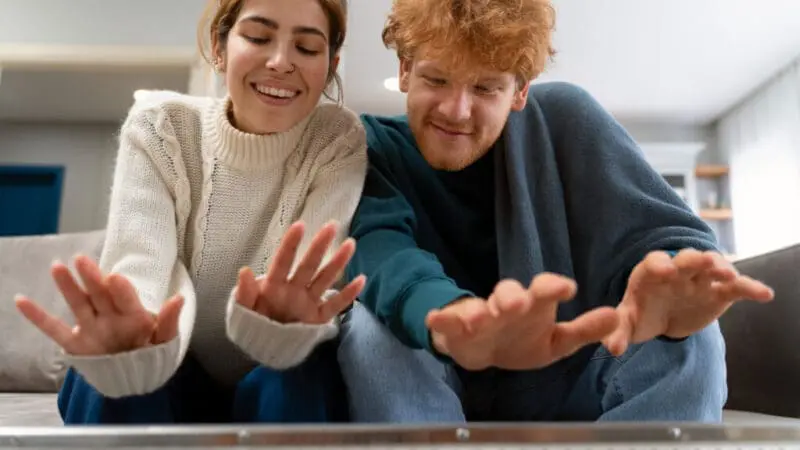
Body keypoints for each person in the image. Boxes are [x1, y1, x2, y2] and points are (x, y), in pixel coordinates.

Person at [337, 0, 774, 423]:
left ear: (520, 91)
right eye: (436, 79)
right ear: (405, 70)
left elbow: (667, 237)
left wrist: (678, 283)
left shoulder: (569, 118)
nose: (457, 110)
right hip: (435, 371)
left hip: (566, 376)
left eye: (486, 88)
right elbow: (379, 248)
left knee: (689, 339)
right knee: (371, 329)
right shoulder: (367, 150)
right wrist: (450, 319)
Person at [15, 0, 367, 425]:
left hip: (277, 374)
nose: (280, 62)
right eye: (258, 37)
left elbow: (310, 277)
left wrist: (284, 325)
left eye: (307, 49)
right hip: (172, 366)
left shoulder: (338, 140)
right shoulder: (160, 127)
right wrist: (137, 333)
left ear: (330, 66)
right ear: (219, 48)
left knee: (304, 375)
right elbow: (139, 263)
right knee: (109, 374)